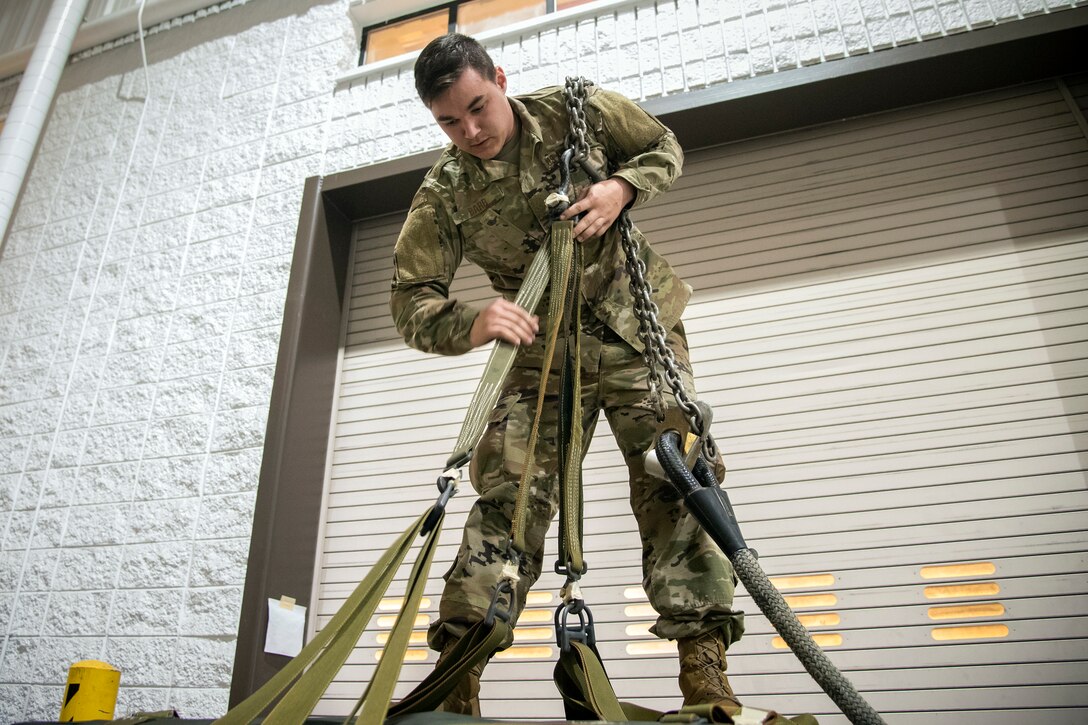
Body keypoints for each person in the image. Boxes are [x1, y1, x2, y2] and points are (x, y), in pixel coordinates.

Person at [390, 33, 745, 716]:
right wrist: (471, 321)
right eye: (448, 122)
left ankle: (706, 677)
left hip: (636, 331)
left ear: (499, 78)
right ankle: (456, 679)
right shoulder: (446, 190)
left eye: (477, 107)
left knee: (677, 484)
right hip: (541, 355)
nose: (469, 131)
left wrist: (620, 188)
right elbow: (410, 300)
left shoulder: (577, 112)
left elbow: (663, 148)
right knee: (509, 500)